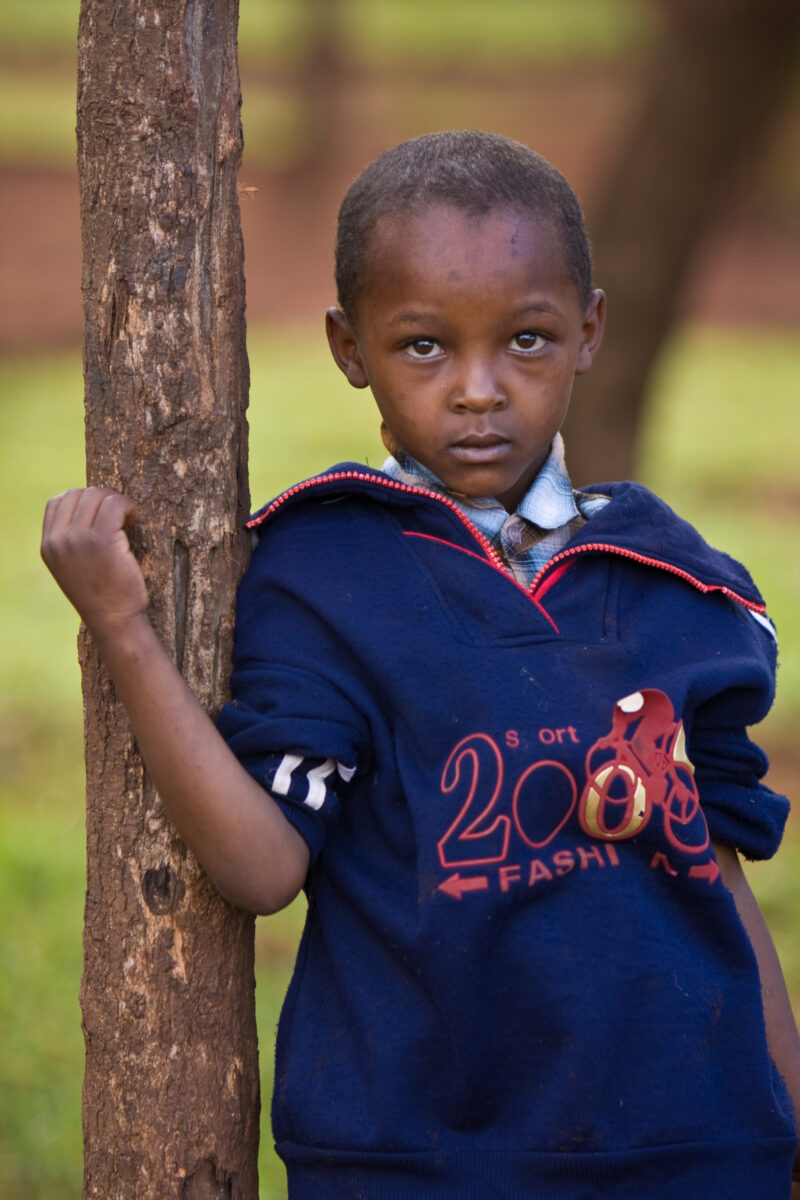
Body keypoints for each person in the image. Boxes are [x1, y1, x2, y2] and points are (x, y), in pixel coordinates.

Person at [42, 131, 800, 1198]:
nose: (479, 390)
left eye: (526, 341)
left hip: (696, 1151)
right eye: (424, 347)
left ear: (588, 331)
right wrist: (123, 626)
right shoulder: (325, 573)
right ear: (349, 350)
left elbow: (712, 876)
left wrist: (789, 1120)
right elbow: (263, 869)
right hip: (422, 1161)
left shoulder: (683, 587)